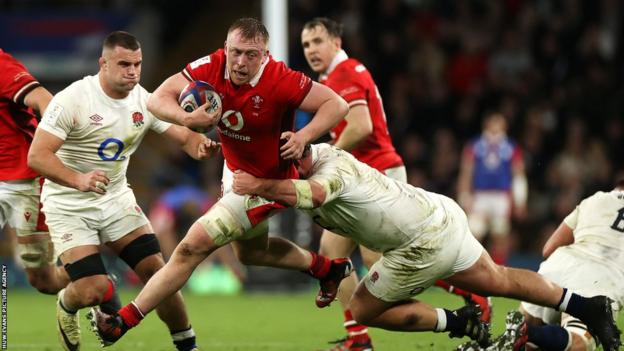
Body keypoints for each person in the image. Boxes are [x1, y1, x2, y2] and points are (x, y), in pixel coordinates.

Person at [87, 18, 352, 347]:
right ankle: (327, 269)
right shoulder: (211, 66)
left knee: (189, 247)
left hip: (266, 181)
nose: (241, 62)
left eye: (251, 55)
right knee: (252, 253)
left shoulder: (280, 78)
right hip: (235, 173)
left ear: (265, 55)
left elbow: (337, 105)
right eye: (236, 52)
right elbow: (156, 100)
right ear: (225, 48)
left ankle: (120, 322)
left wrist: (303, 136)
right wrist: (187, 120)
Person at [228, 143, 621, 350]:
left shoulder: (325, 174)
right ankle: (586, 306)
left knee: (364, 307)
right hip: (440, 212)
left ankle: (458, 321)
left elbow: (309, 193)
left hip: (419, 243)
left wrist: (255, 187)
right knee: (497, 279)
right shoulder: (318, 156)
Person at [301, 18, 490, 351]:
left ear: (336, 41)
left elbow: (361, 126)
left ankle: (470, 293)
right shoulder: (331, 78)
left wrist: (325, 157)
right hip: (359, 182)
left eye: (317, 41)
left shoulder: (346, 72)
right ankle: (358, 339)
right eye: (305, 45)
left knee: (381, 264)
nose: (311, 50)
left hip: (377, 176)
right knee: (333, 259)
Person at [28, 31, 216, 351]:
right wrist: (78, 179)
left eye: (138, 64)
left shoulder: (143, 100)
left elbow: (184, 137)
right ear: (103, 63)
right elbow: (37, 156)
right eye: (124, 64)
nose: (132, 71)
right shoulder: (73, 100)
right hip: (69, 204)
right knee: (93, 290)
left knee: (158, 273)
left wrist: (200, 144)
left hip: (116, 200)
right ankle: (67, 303)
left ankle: (187, 345)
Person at [472, 179, 624, 351]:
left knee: (529, 342)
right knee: (580, 342)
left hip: (558, 266)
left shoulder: (596, 199)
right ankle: (527, 334)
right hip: (602, 279)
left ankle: (517, 336)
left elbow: (548, 248)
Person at [0, 49, 70, 294]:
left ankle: (94, 282)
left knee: (44, 281)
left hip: (25, 180)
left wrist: (56, 149)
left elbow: (46, 102)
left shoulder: (1, 65)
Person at [457, 112, 528, 264]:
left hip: (501, 196)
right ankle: (469, 273)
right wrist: (464, 196)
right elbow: (466, 172)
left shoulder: (510, 147)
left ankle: (498, 272)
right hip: (480, 195)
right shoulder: (475, 145)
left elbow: (518, 175)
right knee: (474, 232)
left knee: (500, 234)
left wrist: (520, 200)